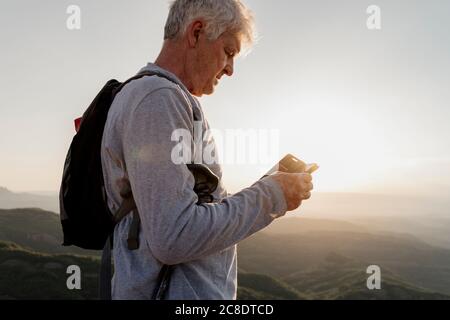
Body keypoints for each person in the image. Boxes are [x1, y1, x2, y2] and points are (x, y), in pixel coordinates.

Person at [101, 0, 314, 300]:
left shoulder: (161, 97)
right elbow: (173, 235)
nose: (230, 70)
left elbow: (193, 210)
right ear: (197, 32)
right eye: (228, 52)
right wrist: (271, 196)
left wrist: (269, 185)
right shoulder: (158, 99)